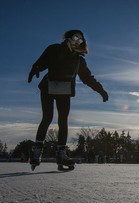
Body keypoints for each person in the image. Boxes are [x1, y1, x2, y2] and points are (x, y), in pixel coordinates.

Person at [28, 30, 108, 170]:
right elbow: (43, 61)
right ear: (68, 38)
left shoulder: (79, 60)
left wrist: (101, 90)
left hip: (64, 91)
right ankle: (37, 151)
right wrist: (36, 67)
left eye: (81, 39)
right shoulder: (55, 49)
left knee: (63, 121)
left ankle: (61, 154)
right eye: (76, 37)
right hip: (48, 87)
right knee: (47, 117)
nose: (78, 40)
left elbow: (88, 78)